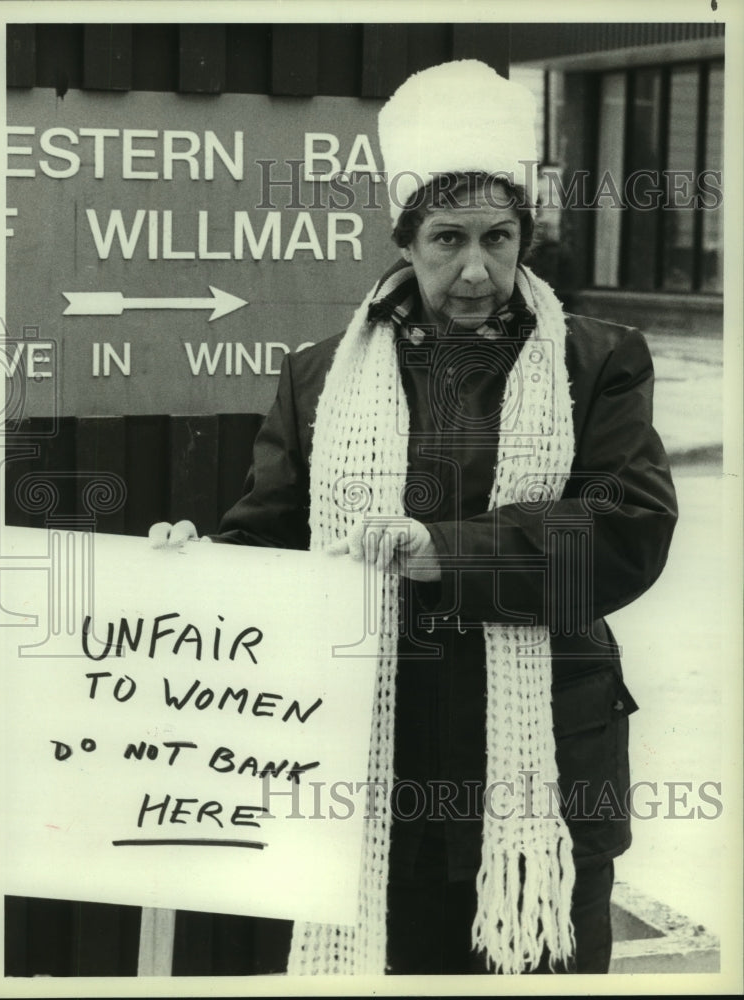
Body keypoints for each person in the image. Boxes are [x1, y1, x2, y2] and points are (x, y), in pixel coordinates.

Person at [150, 60, 677, 975]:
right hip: (373, 771)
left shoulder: (598, 362)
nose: (477, 269)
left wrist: (447, 553)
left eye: (498, 238)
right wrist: (201, 568)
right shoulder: (319, 376)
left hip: (545, 775)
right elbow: (271, 536)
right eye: (447, 239)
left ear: (525, 236)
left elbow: (625, 532)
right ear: (404, 241)